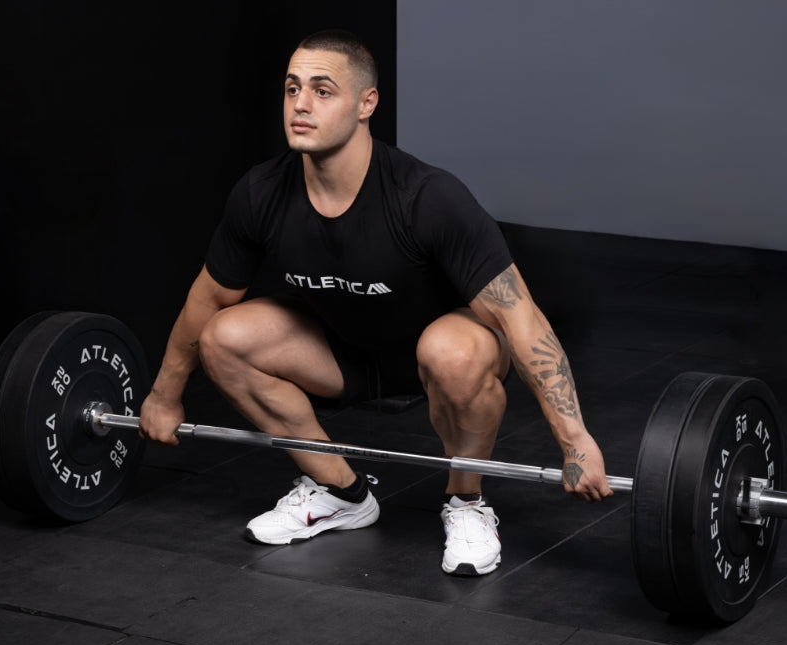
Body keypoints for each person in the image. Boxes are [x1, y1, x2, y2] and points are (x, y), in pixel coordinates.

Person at [138, 29, 612, 576]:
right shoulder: (261, 193)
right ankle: (339, 491)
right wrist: (164, 395)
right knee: (223, 338)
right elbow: (208, 298)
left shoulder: (426, 197)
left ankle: (466, 501)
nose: (300, 104)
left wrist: (574, 441)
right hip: (340, 352)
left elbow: (519, 316)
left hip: (441, 356)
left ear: (367, 104)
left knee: (453, 351)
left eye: (322, 91)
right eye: (292, 89)